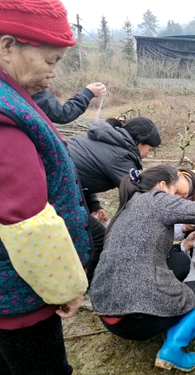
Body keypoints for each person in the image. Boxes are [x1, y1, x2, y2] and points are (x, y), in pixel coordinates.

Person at [0, 1, 91, 373]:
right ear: (8, 46)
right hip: (20, 300)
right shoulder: (6, 118)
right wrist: (65, 288)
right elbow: (27, 222)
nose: (53, 73)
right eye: (50, 61)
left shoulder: (14, 98)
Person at [90, 166, 195, 372]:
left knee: (179, 262)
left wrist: (183, 244)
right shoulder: (158, 198)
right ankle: (173, 350)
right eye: (176, 192)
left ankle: (161, 311)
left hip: (107, 313)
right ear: (162, 186)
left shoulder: (126, 207)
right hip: (136, 322)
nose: (178, 197)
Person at [67, 116, 161, 282]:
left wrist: (94, 204)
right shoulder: (121, 156)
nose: (147, 155)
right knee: (97, 238)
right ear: (139, 141)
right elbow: (138, 194)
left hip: (55, 187)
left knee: (82, 234)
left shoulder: (107, 140)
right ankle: (84, 286)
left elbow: (80, 175)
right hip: (54, 193)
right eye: (149, 149)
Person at [32, 82, 107, 124]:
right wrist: (87, 94)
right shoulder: (31, 89)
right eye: (49, 63)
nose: (53, 73)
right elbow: (62, 114)